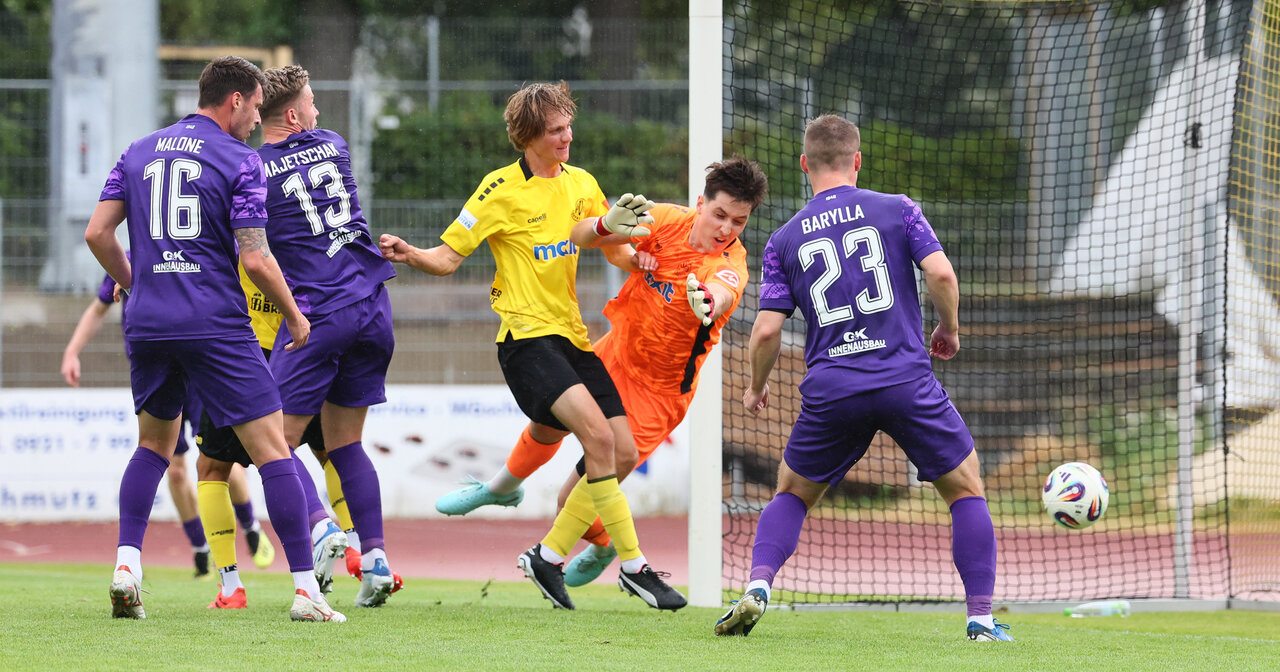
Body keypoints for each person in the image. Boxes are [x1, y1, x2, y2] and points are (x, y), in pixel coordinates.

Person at [379, 80, 684, 610]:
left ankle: (514, 505)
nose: (567, 137)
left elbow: (609, 247)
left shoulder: (583, 182)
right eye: (556, 130)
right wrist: (409, 254)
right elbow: (449, 258)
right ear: (528, 137)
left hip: (571, 339)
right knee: (596, 437)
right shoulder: (499, 189)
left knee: (624, 448)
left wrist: (638, 259)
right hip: (524, 339)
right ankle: (631, 567)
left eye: (569, 126)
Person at [713, 115, 1009, 641]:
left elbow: (763, 334)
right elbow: (940, 273)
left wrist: (756, 387)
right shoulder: (898, 209)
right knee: (966, 490)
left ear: (804, 165)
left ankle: (758, 586)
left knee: (791, 494)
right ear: (858, 160)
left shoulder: (782, 239)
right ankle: (981, 621)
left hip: (833, 390)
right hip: (903, 380)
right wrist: (949, 328)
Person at [434, 157, 769, 605]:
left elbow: (724, 289)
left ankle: (602, 545)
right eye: (720, 214)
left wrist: (707, 299)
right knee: (547, 425)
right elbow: (580, 236)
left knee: (574, 495)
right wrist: (607, 226)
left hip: (661, 393)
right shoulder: (666, 219)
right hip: (613, 354)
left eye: (739, 221)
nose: (727, 228)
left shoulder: (732, 265)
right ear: (700, 203)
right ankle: (499, 488)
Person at [84, 55, 343, 622]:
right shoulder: (240, 160)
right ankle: (306, 592)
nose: (256, 119)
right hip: (215, 324)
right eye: (254, 106)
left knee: (152, 447)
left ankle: (127, 567)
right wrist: (295, 315)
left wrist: (138, 285)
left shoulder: (137, 150)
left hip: (149, 322)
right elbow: (255, 256)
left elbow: (97, 233)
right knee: (273, 449)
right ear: (235, 100)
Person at [256, 64, 400, 608]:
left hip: (317, 313)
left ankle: (319, 526)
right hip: (373, 306)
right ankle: (378, 560)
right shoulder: (334, 145)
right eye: (312, 102)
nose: (318, 111)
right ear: (293, 115)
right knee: (346, 444)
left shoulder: (254, 169)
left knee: (273, 438)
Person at [61, 268, 275, 581]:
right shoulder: (126, 260)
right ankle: (200, 548)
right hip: (160, 368)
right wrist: (72, 351)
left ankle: (251, 528)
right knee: (174, 468)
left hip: (200, 369)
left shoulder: (192, 253)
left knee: (219, 459)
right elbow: (98, 307)